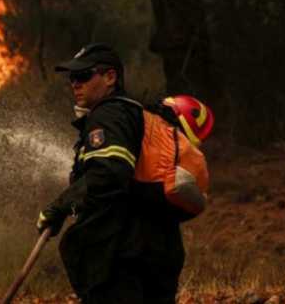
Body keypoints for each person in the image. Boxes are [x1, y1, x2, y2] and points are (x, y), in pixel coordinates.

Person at [36, 43, 183, 303]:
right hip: (156, 250)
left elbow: (109, 174)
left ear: (110, 77)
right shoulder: (133, 114)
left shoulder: (108, 116)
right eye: (72, 78)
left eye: (83, 76)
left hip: (123, 257)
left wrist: (58, 208)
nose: (75, 84)